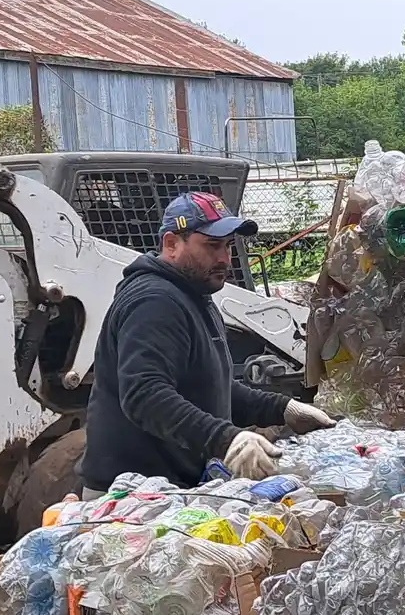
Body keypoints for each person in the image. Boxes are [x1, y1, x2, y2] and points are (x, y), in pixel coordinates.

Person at [79, 192, 335, 496]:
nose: (225, 258)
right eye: (212, 246)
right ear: (172, 244)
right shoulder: (155, 301)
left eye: (227, 246)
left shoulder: (195, 295)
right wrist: (226, 438)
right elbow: (145, 395)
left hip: (169, 491)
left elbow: (207, 385)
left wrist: (283, 408)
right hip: (132, 498)